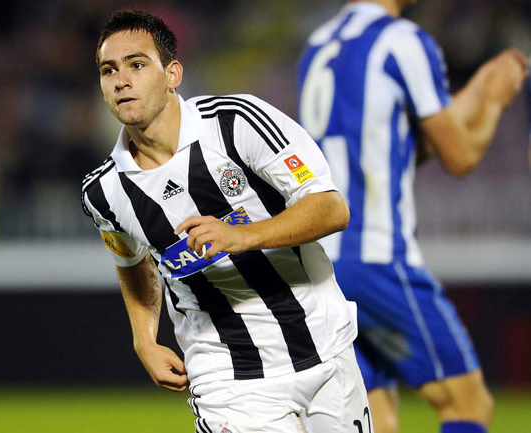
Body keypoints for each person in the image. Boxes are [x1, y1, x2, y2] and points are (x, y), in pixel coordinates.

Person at [83, 9, 371, 433]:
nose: (121, 80)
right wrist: (144, 339)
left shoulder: (236, 123)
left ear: (172, 74)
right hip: (226, 377)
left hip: (324, 347)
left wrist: (241, 236)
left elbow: (331, 208)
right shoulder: (103, 193)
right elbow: (131, 261)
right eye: (109, 70)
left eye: (137, 65)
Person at [297, 2, 529, 433]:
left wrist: (476, 88)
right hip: (375, 254)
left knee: (375, 419)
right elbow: (460, 156)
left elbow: (392, 149)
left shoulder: (318, 44)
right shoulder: (403, 40)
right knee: (467, 403)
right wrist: (494, 98)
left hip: (320, 260)